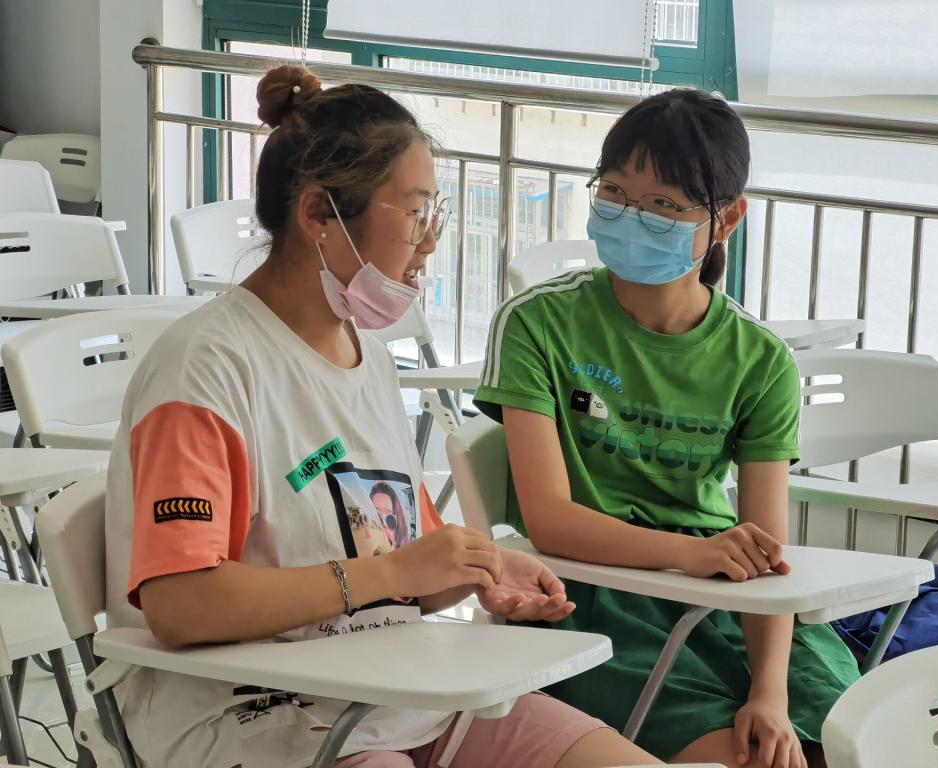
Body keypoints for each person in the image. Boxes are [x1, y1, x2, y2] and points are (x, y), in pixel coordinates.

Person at [103, 65, 661, 768]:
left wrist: (476, 570)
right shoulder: (205, 369)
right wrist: (391, 572)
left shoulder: (366, 356)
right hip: (255, 713)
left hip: (397, 691)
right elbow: (181, 605)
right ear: (318, 215)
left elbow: (400, 564)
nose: (430, 243)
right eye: (415, 214)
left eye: (434, 214)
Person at [473, 89, 860, 768]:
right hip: (590, 597)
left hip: (723, 596)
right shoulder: (537, 323)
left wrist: (769, 691)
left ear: (727, 218)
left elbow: (767, 553)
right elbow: (552, 522)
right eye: (614, 192)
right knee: (739, 758)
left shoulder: (760, 359)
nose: (632, 216)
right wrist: (691, 554)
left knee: (847, 742)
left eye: (663, 204)